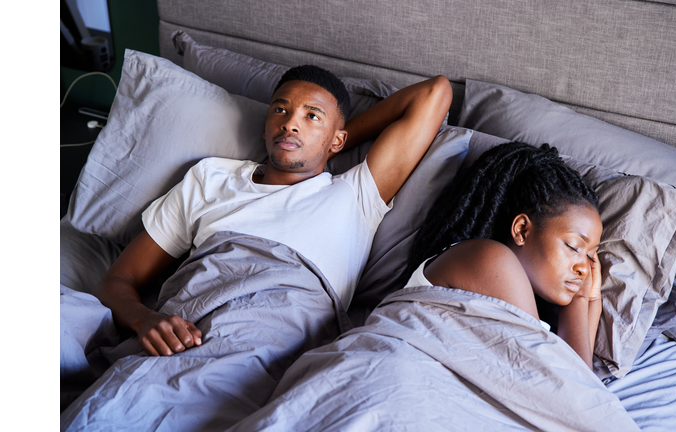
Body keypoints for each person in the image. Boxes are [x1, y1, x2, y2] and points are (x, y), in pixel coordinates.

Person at [92, 65, 453, 357]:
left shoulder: (355, 193)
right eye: (281, 109)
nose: (290, 123)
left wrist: (326, 147)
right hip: (184, 330)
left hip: (274, 340)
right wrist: (144, 321)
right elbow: (117, 281)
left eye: (312, 116)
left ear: (338, 139)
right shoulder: (210, 177)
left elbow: (435, 92)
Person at [405, 141, 603, 365]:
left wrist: (590, 300)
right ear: (521, 230)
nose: (584, 268)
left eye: (590, 255)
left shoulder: (503, 286)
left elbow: (580, 387)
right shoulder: (492, 259)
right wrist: (580, 300)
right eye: (574, 247)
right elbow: (570, 386)